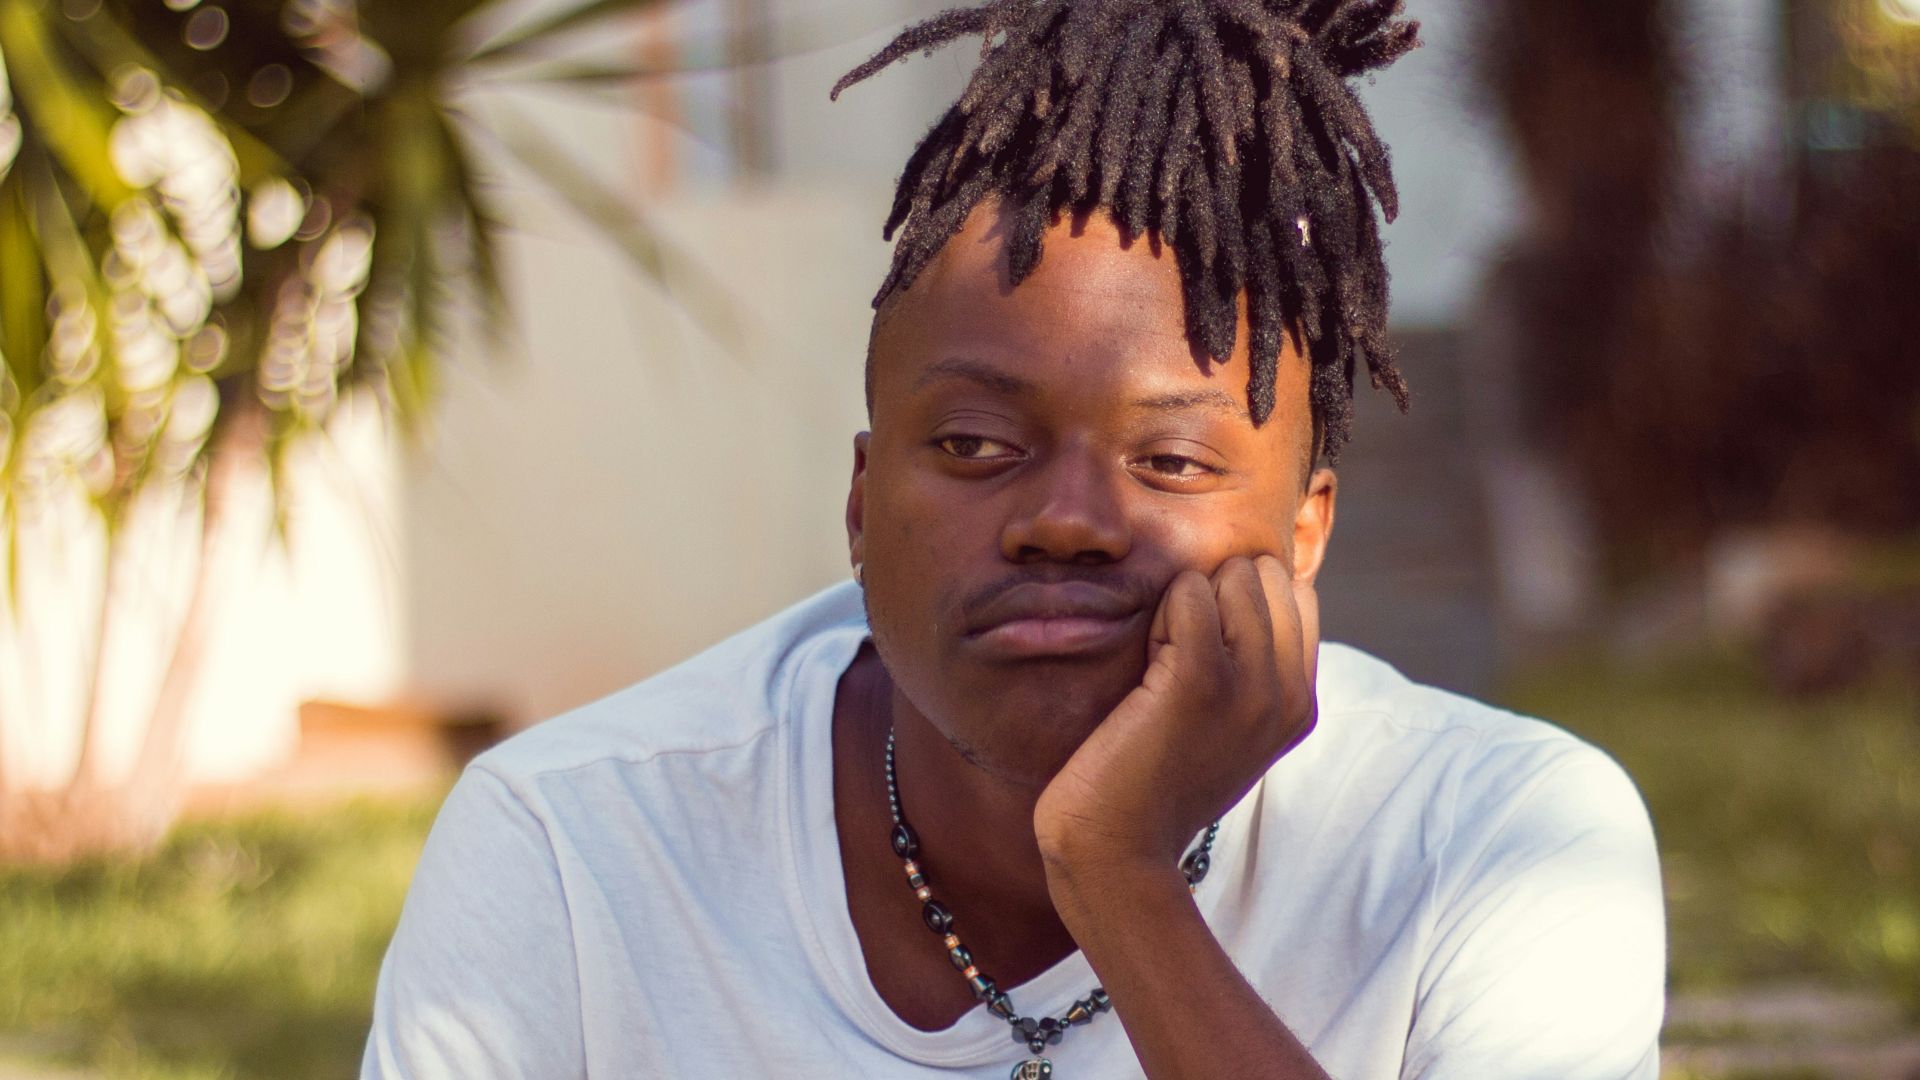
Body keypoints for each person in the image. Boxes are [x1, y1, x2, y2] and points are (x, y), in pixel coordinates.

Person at [361, 1, 1666, 1077]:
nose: (1063, 521)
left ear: (1307, 526)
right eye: (978, 446)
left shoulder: (1504, 849)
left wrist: (1122, 881)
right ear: (863, 504)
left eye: (1171, 457)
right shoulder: (572, 855)